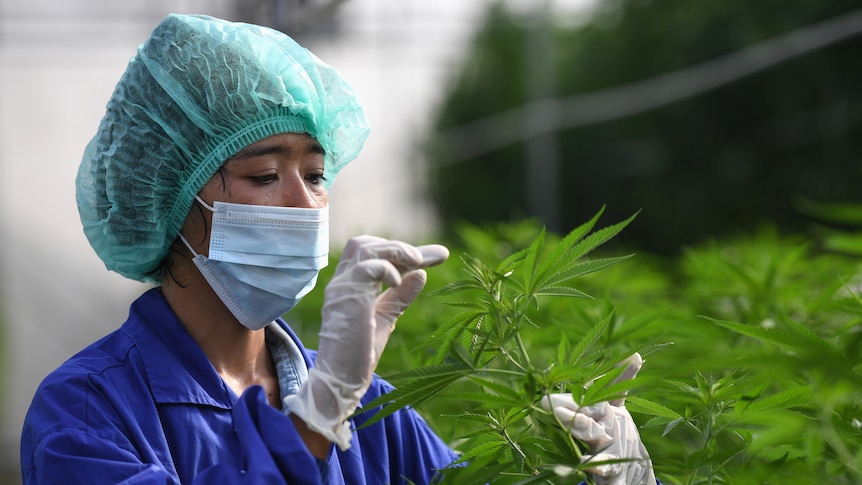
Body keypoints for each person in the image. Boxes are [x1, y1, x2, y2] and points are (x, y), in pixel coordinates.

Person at [19, 13, 657, 485]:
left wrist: (567, 464)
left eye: (316, 175)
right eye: (265, 176)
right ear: (170, 202)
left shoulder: (372, 406)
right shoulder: (88, 408)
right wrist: (318, 416)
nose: (303, 202)